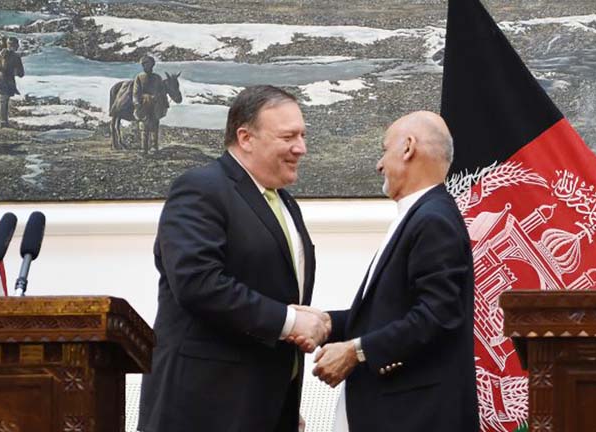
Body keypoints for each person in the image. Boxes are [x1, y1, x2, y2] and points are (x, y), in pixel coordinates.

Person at [138, 85, 330, 432]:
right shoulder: (201, 189)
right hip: (204, 408)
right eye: (288, 136)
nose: (301, 148)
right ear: (245, 137)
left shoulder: (284, 202)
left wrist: (278, 402)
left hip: (263, 406)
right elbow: (198, 283)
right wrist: (289, 321)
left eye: (302, 135)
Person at [310, 111, 479, 431]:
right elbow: (391, 313)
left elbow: (437, 316)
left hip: (415, 416)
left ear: (407, 148)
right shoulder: (421, 215)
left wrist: (355, 351)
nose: (378, 164)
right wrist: (329, 322)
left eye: (383, 149)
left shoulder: (433, 221)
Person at [132, 55, 169, 153]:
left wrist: (165, 103)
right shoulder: (139, 77)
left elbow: (162, 91)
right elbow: (136, 92)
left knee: (154, 125)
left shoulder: (157, 77)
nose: (145, 66)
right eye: (143, 64)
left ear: (152, 65)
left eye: (147, 64)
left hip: (155, 105)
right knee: (143, 126)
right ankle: (144, 148)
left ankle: (154, 147)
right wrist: (136, 103)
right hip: (143, 104)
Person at [0, 37, 24, 128]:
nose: (16, 46)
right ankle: (3, 122)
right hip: (1, 80)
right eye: (14, 45)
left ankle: (3, 121)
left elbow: (21, 73)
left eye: (16, 45)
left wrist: (15, 72)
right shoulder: (3, 54)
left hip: (8, 81)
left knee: (3, 100)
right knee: (1, 100)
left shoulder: (16, 57)